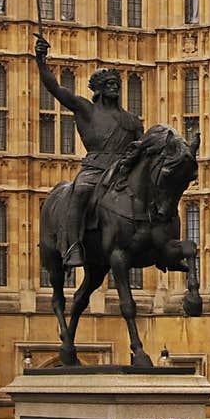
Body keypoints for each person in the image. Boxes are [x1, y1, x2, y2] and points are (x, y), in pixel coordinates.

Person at [34, 35, 144, 267]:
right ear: (100, 90)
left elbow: (141, 149)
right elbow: (55, 89)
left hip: (122, 172)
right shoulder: (87, 110)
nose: (115, 87)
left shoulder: (131, 120)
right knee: (80, 191)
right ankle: (74, 247)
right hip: (95, 169)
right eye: (109, 84)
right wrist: (41, 62)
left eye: (116, 83)